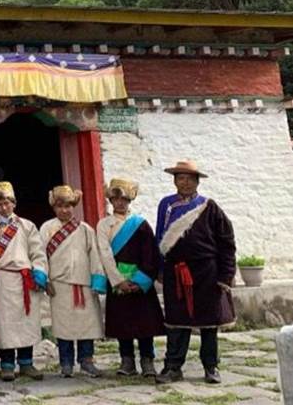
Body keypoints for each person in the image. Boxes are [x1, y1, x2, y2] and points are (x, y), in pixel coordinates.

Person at [154, 160, 236, 385]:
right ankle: (172, 367)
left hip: (207, 274)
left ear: (197, 182)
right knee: (176, 322)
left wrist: (225, 276)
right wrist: (160, 268)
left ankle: (211, 366)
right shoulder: (166, 206)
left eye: (190, 178)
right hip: (176, 272)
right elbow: (160, 237)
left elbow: (227, 242)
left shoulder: (210, 207)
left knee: (209, 323)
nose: (185, 182)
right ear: (175, 181)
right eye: (181, 178)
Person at [95, 178, 165, 377]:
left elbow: (150, 253)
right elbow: (104, 253)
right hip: (117, 282)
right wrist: (118, 280)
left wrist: (141, 280)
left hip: (140, 281)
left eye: (124, 199)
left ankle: (147, 360)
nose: (120, 203)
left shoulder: (140, 224)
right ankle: (126, 360)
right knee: (122, 323)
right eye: (116, 198)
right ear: (110, 200)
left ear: (129, 200)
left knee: (145, 323)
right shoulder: (104, 225)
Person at [0, 181, 47, 382]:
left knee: (25, 322)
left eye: (8, 203)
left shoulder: (27, 226)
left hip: (24, 280)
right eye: (0, 203)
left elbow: (37, 253)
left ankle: (26, 363)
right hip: (2, 280)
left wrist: (39, 273)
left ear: (14, 204)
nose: (4, 207)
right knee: (5, 324)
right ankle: (7, 364)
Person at [40, 185, 107, 378]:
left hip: (84, 283)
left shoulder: (85, 229)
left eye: (68, 206)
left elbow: (94, 254)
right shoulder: (47, 228)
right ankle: (66, 363)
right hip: (59, 285)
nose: (65, 210)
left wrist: (97, 280)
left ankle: (87, 361)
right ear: (54, 207)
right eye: (60, 206)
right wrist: (44, 278)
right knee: (64, 327)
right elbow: (40, 255)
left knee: (87, 324)